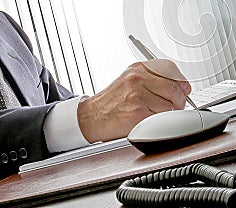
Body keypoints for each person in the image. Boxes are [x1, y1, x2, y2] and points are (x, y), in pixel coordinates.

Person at [0, 11, 191, 179]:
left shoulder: (5, 28)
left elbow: (59, 104)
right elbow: (87, 116)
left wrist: (127, 114)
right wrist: (92, 115)